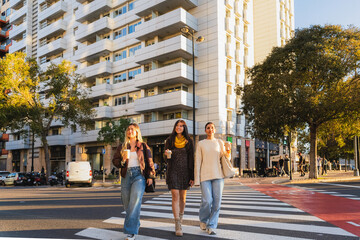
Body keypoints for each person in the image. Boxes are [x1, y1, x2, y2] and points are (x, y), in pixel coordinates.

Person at [112, 123, 156, 240]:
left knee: (135, 201)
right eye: (128, 129)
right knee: (127, 203)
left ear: (137, 132)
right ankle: (135, 222)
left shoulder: (143, 145)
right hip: (126, 175)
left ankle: (131, 231)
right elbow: (114, 160)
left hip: (139, 175)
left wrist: (150, 176)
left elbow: (149, 161)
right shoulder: (122, 146)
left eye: (132, 129)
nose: (130, 131)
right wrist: (122, 161)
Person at [195, 122, 231, 235]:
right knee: (207, 200)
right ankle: (203, 220)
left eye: (212, 128)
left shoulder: (219, 142)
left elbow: (225, 157)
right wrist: (197, 179)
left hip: (218, 176)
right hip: (205, 176)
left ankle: (211, 225)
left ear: (215, 130)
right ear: (205, 130)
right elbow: (197, 162)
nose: (210, 130)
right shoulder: (201, 144)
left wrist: (228, 151)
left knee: (217, 203)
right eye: (208, 128)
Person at [164, 120, 194, 236]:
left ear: (184, 128)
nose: (179, 127)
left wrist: (192, 176)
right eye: (177, 125)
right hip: (173, 171)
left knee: (183, 197)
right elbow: (166, 160)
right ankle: (177, 223)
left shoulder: (189, 141)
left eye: (181, 126)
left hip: (185, 172)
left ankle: (180, 218)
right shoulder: (170, 140)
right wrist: (166, 155)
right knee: (175, 195)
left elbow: (191, 159)